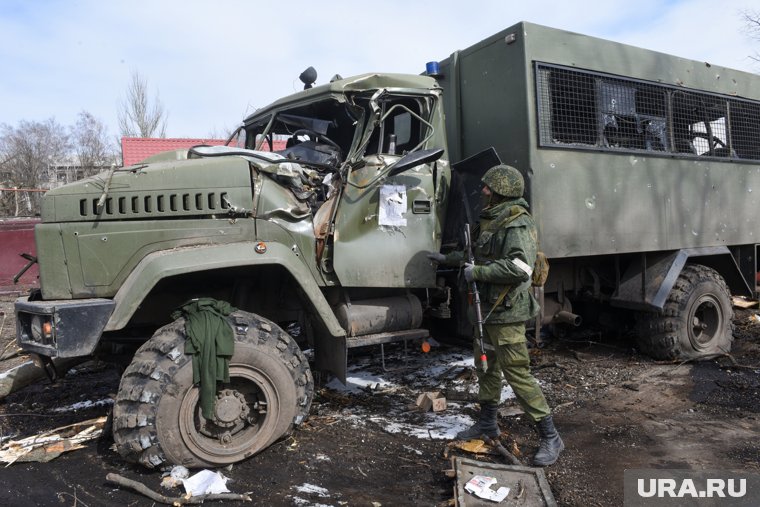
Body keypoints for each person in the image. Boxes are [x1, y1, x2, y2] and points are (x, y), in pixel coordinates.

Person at [427, 164, 563, 466]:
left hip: (506, 313)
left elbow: (520, 268)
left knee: (517, 373)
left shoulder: (517, 223)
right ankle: (488, 421)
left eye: (489, 187)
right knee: (486, 367)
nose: (484, 191)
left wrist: (479, 273)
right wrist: (446, 259)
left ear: (501, 191)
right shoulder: (489, 220)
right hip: (485, 312)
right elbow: (475, 255)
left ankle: (550, 436)